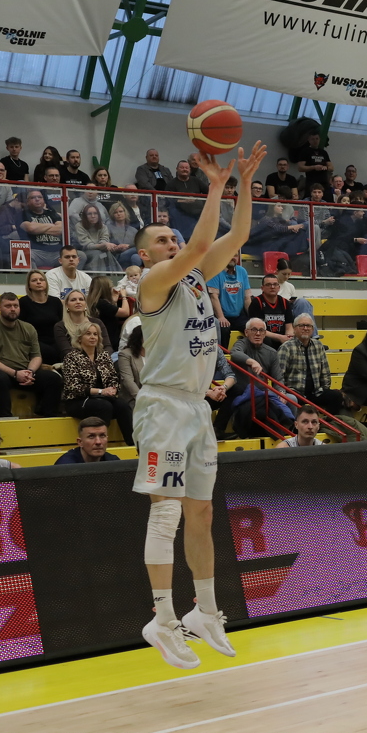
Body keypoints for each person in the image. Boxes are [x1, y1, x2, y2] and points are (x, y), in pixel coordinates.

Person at [131, 140, 267, 670]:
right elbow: (202, 242)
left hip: (195, 408)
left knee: (202, 512)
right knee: (165, 513)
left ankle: (205, 611)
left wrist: (244, 185)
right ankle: (162, 619)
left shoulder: (192, 276)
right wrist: (215, 186)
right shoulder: (154, 281)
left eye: (174, 235)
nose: (173, 241)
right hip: (162, 407)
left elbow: (238, 236)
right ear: (145, 255)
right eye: (162, 239)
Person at [0, 293, 63, 418]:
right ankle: (6, 417)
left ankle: (47, 417)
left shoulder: (28, 328)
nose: (13, 309)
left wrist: (30, 372)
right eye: (8, 306)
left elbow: (36, 356)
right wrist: (15, 374)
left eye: (15, 306)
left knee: (53, 379)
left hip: (24, 372)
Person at [61, 321, 134, 445]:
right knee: (104, 406)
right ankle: (99, 444)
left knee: (123, 405)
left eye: (95, 334)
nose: (93, 337)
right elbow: (74, 387)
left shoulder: (103, 355)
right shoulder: (71, 357)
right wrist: (101, 391)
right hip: (78, 400)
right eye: (88, 334)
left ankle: (132, 445)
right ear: (79, 338)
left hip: (103, 398)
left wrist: (113, 389)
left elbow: (113, 377)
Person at [278, 313, 340, 415]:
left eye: (308, 326)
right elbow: (279, 375)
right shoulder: (286, 347)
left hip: (315, 392)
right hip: (295, 393)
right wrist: (283, 393)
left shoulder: (318, 345)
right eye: (302, 325)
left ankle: (328, 422)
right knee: (292, 399)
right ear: (294, 328)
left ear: (312, 329)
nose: (306, 328)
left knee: (336, 396)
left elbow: (325, 372)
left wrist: (325, 389)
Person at [19, 269, 65, 364]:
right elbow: (20, 328)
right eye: (34, 280)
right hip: (34, 342)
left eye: (41, 279)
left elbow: (62, 323)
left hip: (55, 340)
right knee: (49, 352)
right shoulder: (23, 302)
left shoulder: (55, 302)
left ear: (46, 283)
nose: (38, 282)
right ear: (29, 285)